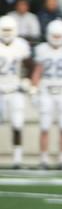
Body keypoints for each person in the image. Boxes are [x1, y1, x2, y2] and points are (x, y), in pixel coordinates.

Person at [30, 19, 62, 170]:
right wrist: (34, 88)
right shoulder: (42, 49)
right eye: (54, 36)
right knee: (44, 126)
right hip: (46, 90)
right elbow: (38, 70)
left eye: (59, 36)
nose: (56, 39)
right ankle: (43, 158)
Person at [0, 16, 32, 168]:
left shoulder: (21, 45)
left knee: (17, 124)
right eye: (4, 30)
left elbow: (28, 64)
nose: (6, 33)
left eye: (9, 30)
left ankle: (17, 159)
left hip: (15, 89)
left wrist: (27, 79)